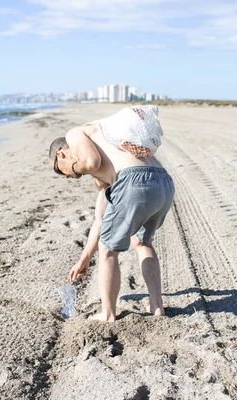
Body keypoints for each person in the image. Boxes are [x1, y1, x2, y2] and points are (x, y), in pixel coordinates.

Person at [48, 108, 174, 322]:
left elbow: (90, 163)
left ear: (61, 154)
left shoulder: (75, 133)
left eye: (60, 171)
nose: (67, 176)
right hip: (163, 182)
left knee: (107, 250)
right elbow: (100, 218)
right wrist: (84, 258)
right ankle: (156, 306)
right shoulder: (108, 150)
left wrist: (77, 167)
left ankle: (108, 314)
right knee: (142, 243)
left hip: (134, 181)